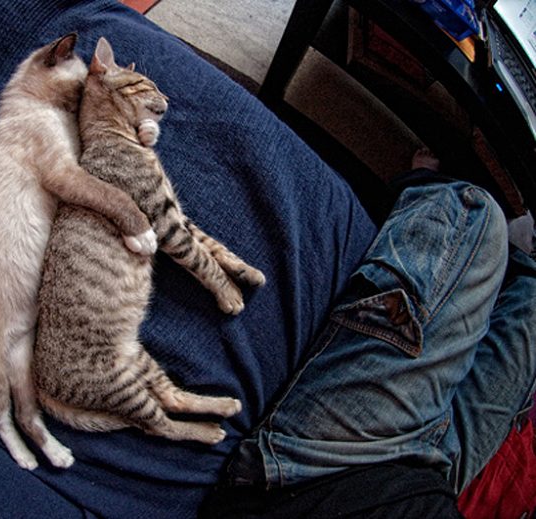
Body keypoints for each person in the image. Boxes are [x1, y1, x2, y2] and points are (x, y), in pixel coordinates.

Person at [201, 150, 536, 518]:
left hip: (329, 474)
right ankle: (509, 258)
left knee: (473, 212)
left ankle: (423, 191)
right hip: (432, 483)